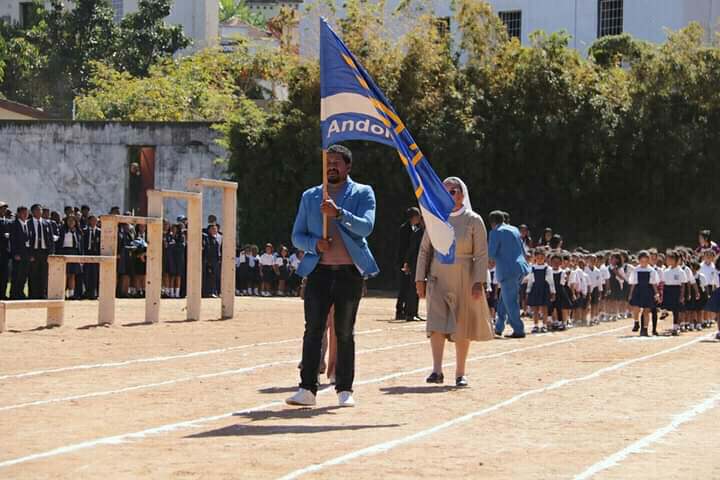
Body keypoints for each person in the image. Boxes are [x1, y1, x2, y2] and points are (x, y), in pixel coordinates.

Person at [286, 144, 378, 408]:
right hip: (318, 272)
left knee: (345, 332)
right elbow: (296, 236)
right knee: (313, 330)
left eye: (337, 162)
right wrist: (314, 244)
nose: (331, 166)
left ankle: (344, 389)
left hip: (349, 272)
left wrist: (338, 214)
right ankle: (307, 388)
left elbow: (366, 227)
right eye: (328, 162)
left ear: (348, 166)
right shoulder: (310, 196)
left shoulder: (363, 193)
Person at [415, 177, 493, 387]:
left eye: (453, 191)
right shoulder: (435, 218)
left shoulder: (473, 220)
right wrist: (419, 278)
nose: (449, 195)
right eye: (444, 191)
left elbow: (481, 254)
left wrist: (478, 281)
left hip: (464, 278)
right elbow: (424, 251)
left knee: (462, 326)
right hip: (437, 277)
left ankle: (460, 373)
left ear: (462, 194)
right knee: (436, 324)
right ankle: (436, 370)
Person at [488, 210, 531, 338]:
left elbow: (491, 253)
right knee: (504, 299)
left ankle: (518, 329)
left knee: (510, 301)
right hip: (520, 268)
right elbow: (522, 249)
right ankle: (499, 327)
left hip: (507, 270)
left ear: (492, 222)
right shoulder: (514, 229)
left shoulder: (495, 232)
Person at [395, 207, 421, 320]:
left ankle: (409, 311)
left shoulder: (417, 228)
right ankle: (399, 311)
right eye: (417, 216)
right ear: (412, 217)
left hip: (411, 261)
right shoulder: (404, 229)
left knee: (411, 288)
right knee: (404, 287)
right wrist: (405, 262)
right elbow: (403, 247)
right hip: (404, 262)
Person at [627, 251, 660, 337]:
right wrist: (630, 294)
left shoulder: (651, 270)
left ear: (648, 261)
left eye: (645, 261)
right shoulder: (636, 270)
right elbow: (633, 283)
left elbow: (654, 283)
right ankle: (636, 322)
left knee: (646, 311)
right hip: (638, 290)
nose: (643, 263)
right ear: (639, 261)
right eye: (642, 261)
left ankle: (645, 329)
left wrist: (657, 293)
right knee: (636, 308)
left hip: (648, 291)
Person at [525, 248, 555, 333]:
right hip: (535, 289)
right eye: (538, 257)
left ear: (544, 257)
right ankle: (535, 325)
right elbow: (530, 280)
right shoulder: (532, 268)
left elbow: (551, 281)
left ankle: (544, 325)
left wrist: (553, 292)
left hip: (544, 289)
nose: (539, 259)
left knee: (544, 308)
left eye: (541, 257)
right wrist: (528, 291)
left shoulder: (548, 268)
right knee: (535, 309)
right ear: (535, 258)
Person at [28, 204, 54, 299]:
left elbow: (51, 239)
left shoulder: (47, 223)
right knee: (33, 274)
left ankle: (43, 294)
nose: (39, 212)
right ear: (32, 212)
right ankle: (33, 294)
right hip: (34, 252)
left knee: (44, 274)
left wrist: (51, 253)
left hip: (44, 252)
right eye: (37, 210)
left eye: (40, 210)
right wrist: (29, 254)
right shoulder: (28, 223)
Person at [402, 213, 425, 321]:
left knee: (417, 290)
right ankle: (410, 314)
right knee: (413, 289)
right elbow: (411, 249)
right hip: (415, 263)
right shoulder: (418, 233)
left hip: (421, 263)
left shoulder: (426, 232)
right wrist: (407, 263)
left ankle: (414, 312)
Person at [57, 215, 84, 299]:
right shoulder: (62, 230)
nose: (71, 222)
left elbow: (81, 245)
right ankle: (63, 293)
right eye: (69, 220)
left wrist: (81, 256)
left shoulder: (78, 231)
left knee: (72, 274)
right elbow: (59, 242)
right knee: (64, 274)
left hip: (74, 252)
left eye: (73, 221)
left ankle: (71, 294)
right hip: (64, 252)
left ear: (75, 222)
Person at [9, 206, 31, 300]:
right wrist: (15, 254)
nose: (25, 214)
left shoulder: (28, 224)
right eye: (23, 213)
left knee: (23, 275)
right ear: (18, 214)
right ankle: (14, 294)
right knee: (16, 275)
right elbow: (12, 240)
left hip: (26, 254)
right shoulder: (14, 224)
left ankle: (20, 293)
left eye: (26, 213)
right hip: (18, 254)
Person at [83, 215, 101, 299]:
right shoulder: (84, 231)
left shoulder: (100, 232)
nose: (94, 222)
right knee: (87, 274)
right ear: (89, 221)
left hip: (96, 254)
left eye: (95, 220)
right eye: (92, 220)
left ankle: (95, 293)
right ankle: (87, 292)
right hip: (87, 253)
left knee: (95, 274)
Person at [202, 224, 221, 298]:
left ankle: (214, 291)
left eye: (216, 229)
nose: (215, 230)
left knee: (215, 277)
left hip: (215, 260)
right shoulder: (207, 238)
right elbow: (208, 250)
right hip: (209, 260)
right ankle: (208, 292)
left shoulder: (215, 238)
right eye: (213, 229)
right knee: (209, 276)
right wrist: (208, 261)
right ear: (209, 230)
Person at [0, 201, 10, 300]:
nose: (4, 210)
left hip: (5, 253)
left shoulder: (7, 221)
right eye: (2, 208)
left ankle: (2, 294)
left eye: (5, 209)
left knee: (4, 275)